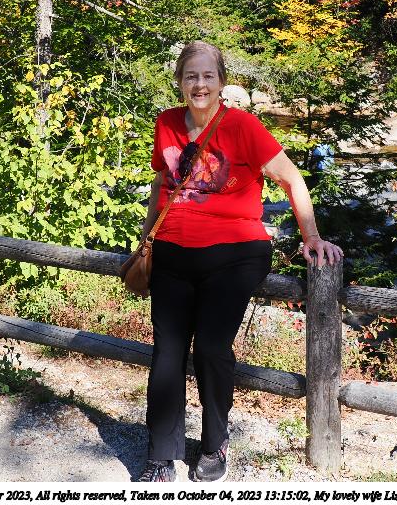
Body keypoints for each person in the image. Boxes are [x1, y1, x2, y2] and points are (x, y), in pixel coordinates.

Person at [136, 40, 343, 483]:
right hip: (172, 252)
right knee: (168, 351)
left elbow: (292, 179)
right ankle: (160, 452)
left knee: (211, 347)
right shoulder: (167, 123)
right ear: (179, 81)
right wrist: (145, 237)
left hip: (235, 254)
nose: (199, 84)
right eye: (191, 75)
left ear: (222, 82)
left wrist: (311, 237)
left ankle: (215, 443)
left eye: (208, 76)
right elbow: (161, 182)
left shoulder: (243, 126)